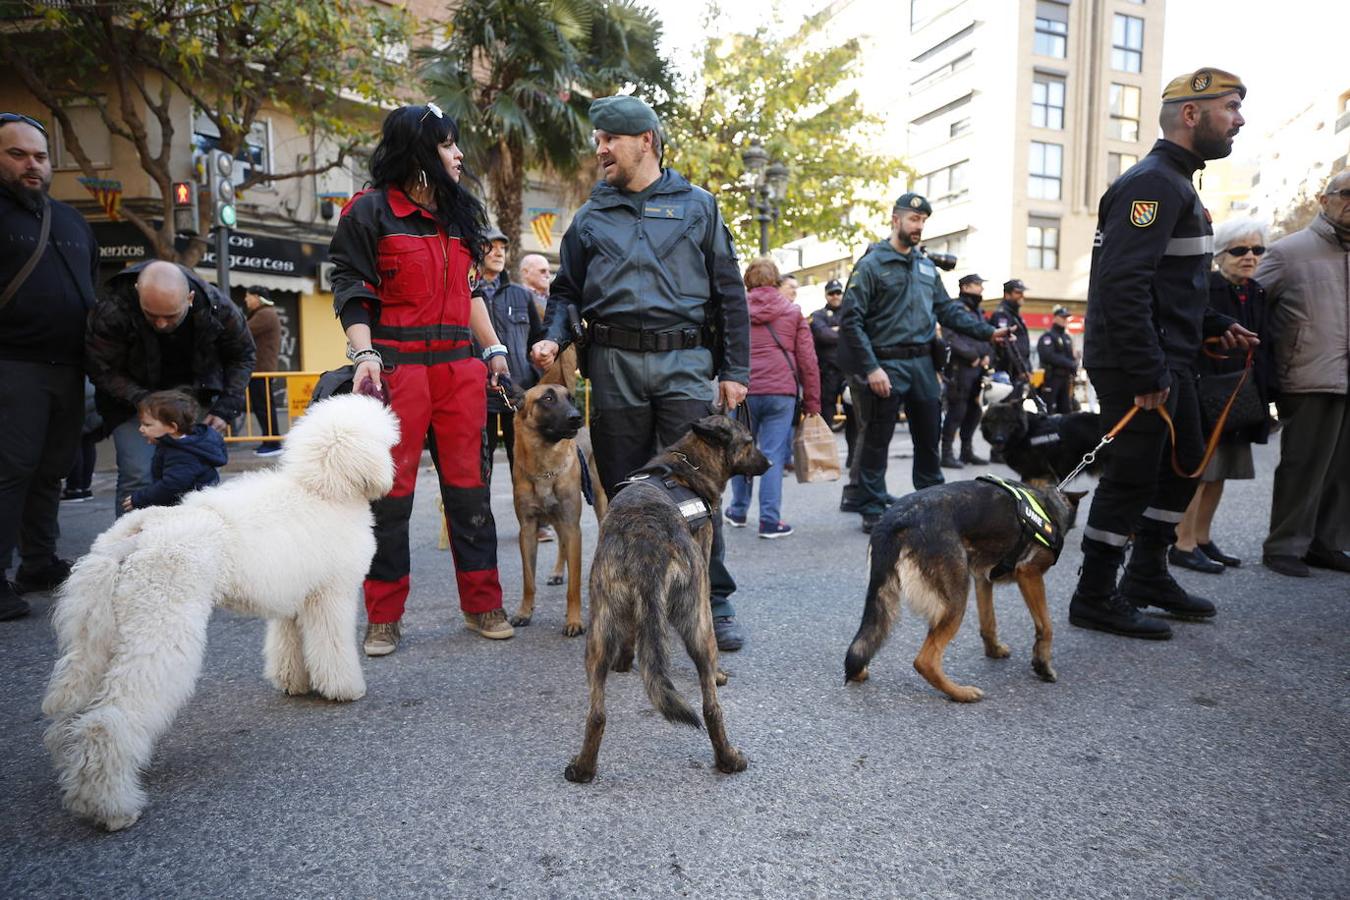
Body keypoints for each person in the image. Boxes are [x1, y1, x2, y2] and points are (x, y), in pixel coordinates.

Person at [529, 95, 751, 651]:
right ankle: (627, 605)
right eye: (597, 139)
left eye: (610, 138)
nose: (600, 149)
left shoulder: (700, 206)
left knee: (695, 489)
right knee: (626, 491)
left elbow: (729, 291)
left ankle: (712, 601)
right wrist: (553, 335)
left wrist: (735, 369)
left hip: (685, 364)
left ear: (645, 140)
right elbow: (566, 292)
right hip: (614, 368)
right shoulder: (591, 215)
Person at [1069, 68, 1260, 639]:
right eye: (1231, 107)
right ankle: (1095, 595)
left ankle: (1147, 575)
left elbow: (1168, 287)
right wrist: (1147, 369)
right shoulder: (1154, 183)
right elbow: (1123, 285)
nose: (1240, 120)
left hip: (1168, 358)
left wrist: (1216, 321)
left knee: (1186, 462)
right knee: (1131, 475)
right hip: (1140, 362)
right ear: (1192, 114)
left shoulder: (1177, 183)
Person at [328, 103, 514, 657]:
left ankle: (483, 604)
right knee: (390, 499)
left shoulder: (462, 215)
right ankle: (383, 616)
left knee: (470, 493)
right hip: (397, 372)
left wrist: (496, 350)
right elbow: (352, 289)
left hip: (460, 372)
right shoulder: (368, 212)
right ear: (419, 151)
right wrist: (364, 357)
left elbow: (472, 291)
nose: (459, 155)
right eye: (448, 144)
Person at [836, 192, 1009, 533]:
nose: (918, 227)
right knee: (877, 438)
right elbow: (852, 320)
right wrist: (871, 368)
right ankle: (871, 505)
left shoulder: (926, 266)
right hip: (886, 363)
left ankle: (932, 500)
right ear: (895, 219)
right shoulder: (872, 264)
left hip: (922, 367)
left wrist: (989, 333)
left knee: (929, 435)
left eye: (923, 222)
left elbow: (946, 310)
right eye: (914, 220)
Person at [0, 112, 99, 621]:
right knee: (10, 472)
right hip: (12, 364)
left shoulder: (71, 219)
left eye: (39, 156)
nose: (31, 165)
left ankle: (38, 563)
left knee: (50, 471)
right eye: (17, 155)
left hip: (69, 367)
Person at [87, 260, 254, 517]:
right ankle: (130, 551)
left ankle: (191, 544)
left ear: (189, 298)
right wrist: (144, 401)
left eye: (171, 316)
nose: (161, 324)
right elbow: (101, 367)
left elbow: (242, 355)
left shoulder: (218, 308)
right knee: (137, 476)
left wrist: (225, 408)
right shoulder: (113, 309)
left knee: (196, 479)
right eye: (151, 315)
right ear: (137, 292)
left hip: (192, 401)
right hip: (131, 402)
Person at [1257, 169, 1350, 576]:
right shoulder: (1287, 251)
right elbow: (1250, 308)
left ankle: (1326, 543)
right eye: (1346, 193)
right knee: (1304, 465)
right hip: (1309, 374)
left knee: (1344, 469)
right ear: (1323, 199)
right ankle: (1284, 546)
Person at [1170, 220, 1276, 574]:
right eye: (1239, 250)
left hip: (1241, 393)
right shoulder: (1207, 288)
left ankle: (1201, 538)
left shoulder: (1257, 291)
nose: (1250, 257)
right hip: (1206, 390)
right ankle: (1182, 544)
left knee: (1222, 471)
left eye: (1257, 250)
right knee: (1200, 471)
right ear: (1220, 254)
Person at [725, 257, 821, 538]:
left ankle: (738, 510)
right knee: (772, 455)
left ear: (747, 280)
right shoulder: (792, 312)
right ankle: (769, 521)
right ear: (776, 281)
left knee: (741, 452)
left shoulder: (736, 310)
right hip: (781, 392)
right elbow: (808, 360)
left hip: (742, 390)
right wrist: (813, 401)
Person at [476, 227, 543, 475]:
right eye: (491, 247)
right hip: (479, 395)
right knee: (479, 471)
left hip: (518, 394)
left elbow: (538, 339)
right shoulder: (465, 293)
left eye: (503, 247)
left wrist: (531, 373)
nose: (498, 252)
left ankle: (525, 516)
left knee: (524, 470)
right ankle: (481, 516)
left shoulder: (521, 295)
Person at [121, 390, 228, 511]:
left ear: (172, 427)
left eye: (147, 425)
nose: (141, 429)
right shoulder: (177, 445)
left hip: (189, 512)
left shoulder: (183, 454)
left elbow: (172, 486)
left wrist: (142, 498)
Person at [940, 273, 992, 469]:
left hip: (977, 370)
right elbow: (950, 337)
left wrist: (987, 355)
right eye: (978, 285)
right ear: (966, 287)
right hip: (960, 368)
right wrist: (973, 356)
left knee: (974, 411)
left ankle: (966, 451)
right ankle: (946, 453)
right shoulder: (955, 308)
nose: (982, 289)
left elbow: (984, 334)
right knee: (956, 411)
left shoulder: (977, 310)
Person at [810, 279, 856, 455]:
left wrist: (838, 331)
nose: (835, 296)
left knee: (853, 418)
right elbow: (823, 335)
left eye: (838, 292)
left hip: (848, 373)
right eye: (832, 293)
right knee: (826, 418)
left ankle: (853, 458)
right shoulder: (819, 315)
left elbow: (856, 333)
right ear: (826, 295)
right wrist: (844, 332)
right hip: (827, 373)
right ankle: (825, 458)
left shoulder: (850, 313)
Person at [242, 285, 283, 456]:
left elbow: (243, 330)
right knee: (263, 406)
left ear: (257, 297)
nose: (246, 300)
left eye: (248, 296)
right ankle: (269, 440)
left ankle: (272, 443)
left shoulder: (265, 314)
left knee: (263, 406)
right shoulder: (264, 313)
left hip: (261, 370)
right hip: (260, 369)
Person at [989, 279, 1032, 387]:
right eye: (1018, 293)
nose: (1022, 296)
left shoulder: (1014, 315)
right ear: (1007, 294)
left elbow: (1023, 346)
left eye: (1022, 293)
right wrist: (1020, 369)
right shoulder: (1002, 315)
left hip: (1017, 372)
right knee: (1008, 403)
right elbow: (1006, 345)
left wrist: (1027, 368)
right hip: (1008, 371)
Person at [1036, 305, 1078, 414]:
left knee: (1066, 408)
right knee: (1049, 408)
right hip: (1052, 378)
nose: (1065, 320)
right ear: (1055, 318)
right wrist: (1069, 363)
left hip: (1066, 378)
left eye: (1066, 318)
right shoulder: (1048, 336)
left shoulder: (1067, 337)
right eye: (1062, 317)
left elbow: (1071, 356)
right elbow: (1048, 355)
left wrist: (1074, 365)